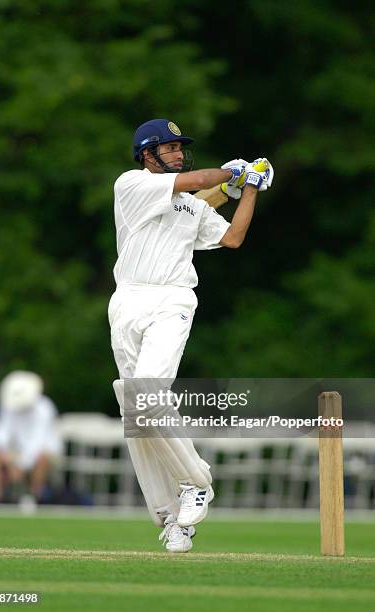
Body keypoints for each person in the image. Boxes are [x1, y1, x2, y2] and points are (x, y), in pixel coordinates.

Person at [109, 118, 273, 552]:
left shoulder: (196, 206)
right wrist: (235, 174)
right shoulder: (131, 185)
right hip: (127, 300)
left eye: (181, 147)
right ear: (147, 154)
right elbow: (200, 181)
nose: (179, 152)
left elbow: (234, 238)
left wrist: (250, 187)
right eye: (169, 147)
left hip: (173, 300)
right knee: (135, 407)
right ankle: (171, 516)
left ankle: (196, 482)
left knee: (146, 391)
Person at [0, 370, 62, 506]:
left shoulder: (44, 408)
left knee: (42, 457)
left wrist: (20, 464)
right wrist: (7, 457)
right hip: (17, 452)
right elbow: (2, 436)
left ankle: (33, 496)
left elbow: (38, 442)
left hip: (45, 451)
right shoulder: (7, 407)